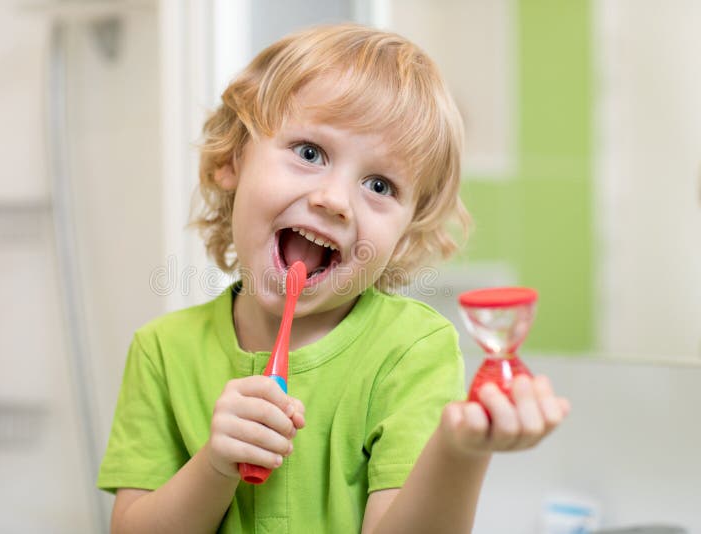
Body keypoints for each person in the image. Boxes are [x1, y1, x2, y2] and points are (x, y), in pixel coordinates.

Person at [97, 23, 570, 534]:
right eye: (309, 153)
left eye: (379, 184)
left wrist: (459, 451)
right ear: (233, 159)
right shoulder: (162, 351)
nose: (334, 200)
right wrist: (215, 465)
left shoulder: (412, 351)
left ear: (406, 232)